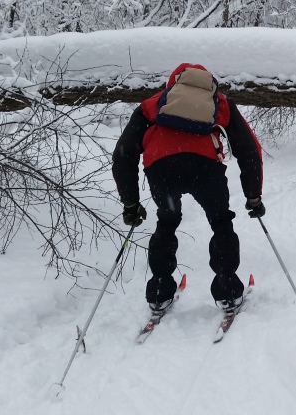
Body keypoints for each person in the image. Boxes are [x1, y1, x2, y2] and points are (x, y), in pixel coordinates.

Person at [112, 63, 266, 313]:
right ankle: (227, 289)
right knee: (220, 221)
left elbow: (123, 153)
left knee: (167, 221)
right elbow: (249, 149)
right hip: (205, 169)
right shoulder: (220, 102)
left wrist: (130, 202)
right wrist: (254, 195)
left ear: (173, 84)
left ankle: (160, 291)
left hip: (161, 168)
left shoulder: (153, 103)